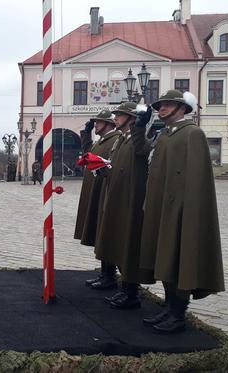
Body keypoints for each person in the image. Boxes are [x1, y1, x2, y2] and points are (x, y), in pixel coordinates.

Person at [134, 90, 225, 333]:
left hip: (180, 209)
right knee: (163, 258)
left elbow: (196, 178)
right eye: (161, 105)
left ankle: (178, 313)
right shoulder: (166, 134)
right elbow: (145, 155)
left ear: (182, 108)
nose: (162, 109)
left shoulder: (192, 134)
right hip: (160, 207)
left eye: (168, 105)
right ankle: (169, 307)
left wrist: (187, 210)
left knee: (178, 259)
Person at [93, 102, 155, 309]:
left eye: (120, 115)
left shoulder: (136, 138)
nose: (115, 118)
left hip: (132, 201)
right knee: (120, 243)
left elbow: (142, 149)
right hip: (118, 198)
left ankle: (131, 293)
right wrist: (102, 169)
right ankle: (123, 288)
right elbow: (116, 167)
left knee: (129, 246)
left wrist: (139, 126)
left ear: (130, 118)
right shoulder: (121, 140)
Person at [74, 110, 122, 290]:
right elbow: (88, 154)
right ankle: (105, 273)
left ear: (109, 124)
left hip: (103, 190)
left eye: (99, 122)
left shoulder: (115, 140)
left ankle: (110, 275)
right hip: (95, 190)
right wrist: (86, 134)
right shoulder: (102, 140)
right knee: (99, 232)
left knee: (105, 232)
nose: (96, 125)